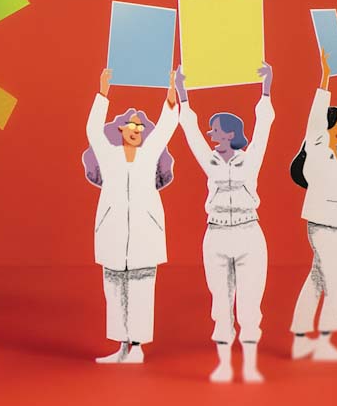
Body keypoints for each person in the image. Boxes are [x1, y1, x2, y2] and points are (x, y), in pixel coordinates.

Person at [174, 62, 276, 384]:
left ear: (231, 134)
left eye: (216, 130)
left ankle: (249, 364)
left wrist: (266, 88)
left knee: (249, 304)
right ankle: (223, 364)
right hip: (216, 234)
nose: (211, 135)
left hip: (249, 234)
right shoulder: (211, 161)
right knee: (220, 304)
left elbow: (264, 125)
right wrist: (182, 93)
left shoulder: (251, 158)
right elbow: (190, 133)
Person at [81, 68, 179, 364]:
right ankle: (122, 346)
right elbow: (92, 131)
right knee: (114, 289)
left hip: (143, 233)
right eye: (130, 126)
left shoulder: (150, 154)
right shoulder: (108, 155)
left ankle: (137, 347)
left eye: (139, 127)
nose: (136, 130)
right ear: (121, 130)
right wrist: (102, 93)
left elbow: (166, 126)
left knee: (140, 290)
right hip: (112, 231)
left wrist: (171, 93)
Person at [288, 50, 337, 362]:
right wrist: (326, 77)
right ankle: (326, 341)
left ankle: (301, 336)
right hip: (322, 226)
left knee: (317, 279)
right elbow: (316, 118)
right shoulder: (317, 148)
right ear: (325, 130)